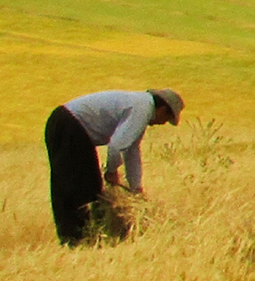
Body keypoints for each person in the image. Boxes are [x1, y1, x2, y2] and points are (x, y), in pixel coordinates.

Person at [45, 88, 182, 245]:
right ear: (163, 110)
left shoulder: (140, 105)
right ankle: (80, 240)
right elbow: (116, 146)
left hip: (66, 123)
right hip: (71, 126)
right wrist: (111, 171)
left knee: (74, 184)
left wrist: (136, 188)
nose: (161, 124)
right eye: (165, 119)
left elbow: (131, 151)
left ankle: (81, 239)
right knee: (82, 188)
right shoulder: (142, 109)